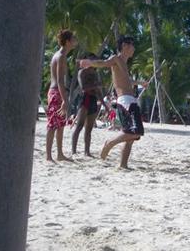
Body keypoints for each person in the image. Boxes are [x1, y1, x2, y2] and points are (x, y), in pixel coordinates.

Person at [80, 36, 148, 169]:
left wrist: (140, 83)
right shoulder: (116, 58)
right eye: (132, 45)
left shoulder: (123, 63)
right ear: (124, 46)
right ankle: (109, 143)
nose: (134, 48)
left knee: (131, 138)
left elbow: (125, 81)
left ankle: (123, 164)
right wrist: (90, 63)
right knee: (136, 131)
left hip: (130, 100)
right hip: (125, 101)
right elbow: (103, 63)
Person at [46, 29, 78, 162]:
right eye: (74, 39)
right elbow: (59, 80)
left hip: (57, 91)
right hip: (56, 92)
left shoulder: (61, 55)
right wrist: (65, 100)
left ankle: (59, 154)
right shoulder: (61, 56)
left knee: (60, 125)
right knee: (53, 125)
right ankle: (48, 156)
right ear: (67, 41)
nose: (76, 41)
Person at [71, 54, 108, 157]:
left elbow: (98, 91)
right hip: (84, 99)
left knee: (89, 129)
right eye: (94, 60)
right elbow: (84, 87)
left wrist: (105, 105)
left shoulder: (95, 73)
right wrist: (97, 85)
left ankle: (87, 152)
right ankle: (74, 151)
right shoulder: (82, 72)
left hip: (93, 99)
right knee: (79, 126)